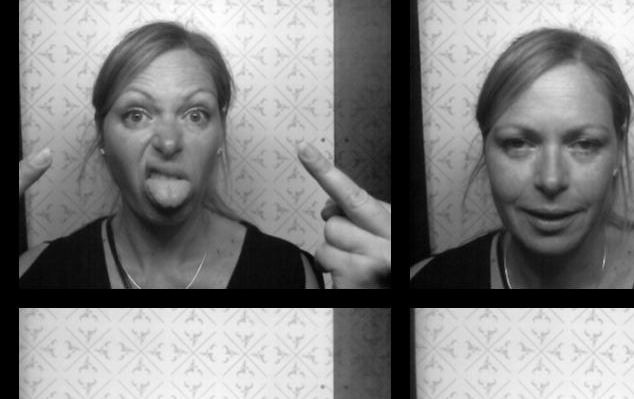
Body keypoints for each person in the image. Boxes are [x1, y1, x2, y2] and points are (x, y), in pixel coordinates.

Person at [19, 21, 391, 289]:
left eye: (195, 115)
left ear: (220, 135)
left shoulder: (288, 273)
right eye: (137, 115)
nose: (168, 142)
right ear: (103, 135)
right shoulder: (36, 273)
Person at [410, 28, 634, 289]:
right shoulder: (428, 282)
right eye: (518, 143)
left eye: (584, 144)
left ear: (618, 151)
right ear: (486, 147)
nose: (551, 180)